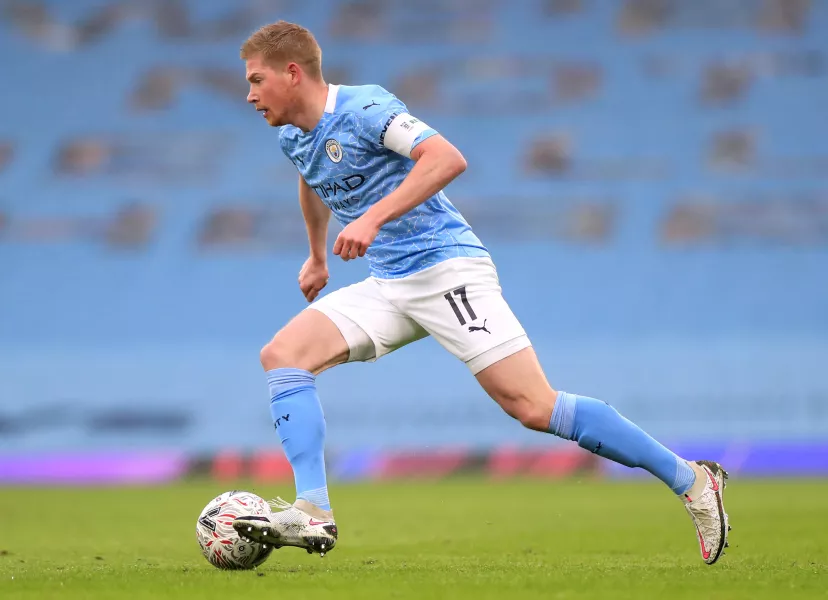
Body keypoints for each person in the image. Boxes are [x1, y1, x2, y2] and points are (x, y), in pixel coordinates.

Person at [232, 21, 731, 565]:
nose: (250, 94)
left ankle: (693, 481)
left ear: (293, 72)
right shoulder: (291, 136)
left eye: (257, 79)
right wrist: (317, 253)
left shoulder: (364, 109)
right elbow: (311, 177)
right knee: (282, 356)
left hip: (448, 270)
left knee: (534, 407)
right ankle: (313, 509)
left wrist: (372, 219)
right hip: (391, 282)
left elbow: (446, 159)